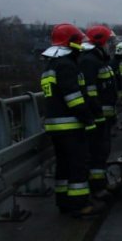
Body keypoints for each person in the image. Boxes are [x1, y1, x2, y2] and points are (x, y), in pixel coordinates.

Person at [38, 24, 101, 218]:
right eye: (78, 40)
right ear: (70, 41)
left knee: (64, 166)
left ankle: (64, 202)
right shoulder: (66, 65)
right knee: (78, 165)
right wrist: (88, 118)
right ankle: (79, 205)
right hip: (71, 125)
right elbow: (73, 98)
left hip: (56, 125)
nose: (80, 44)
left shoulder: (51, 65)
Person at [82, 25, 119, 199]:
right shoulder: (90, 61)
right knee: (97, 153)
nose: (110, 45)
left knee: (102, 152)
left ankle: (101, 183)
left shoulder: (99, 60)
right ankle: (97, 187)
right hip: (97, 117)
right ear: (101, 42)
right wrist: (97, 114)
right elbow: (91, 93)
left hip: (105, 116)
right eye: (108, 41)